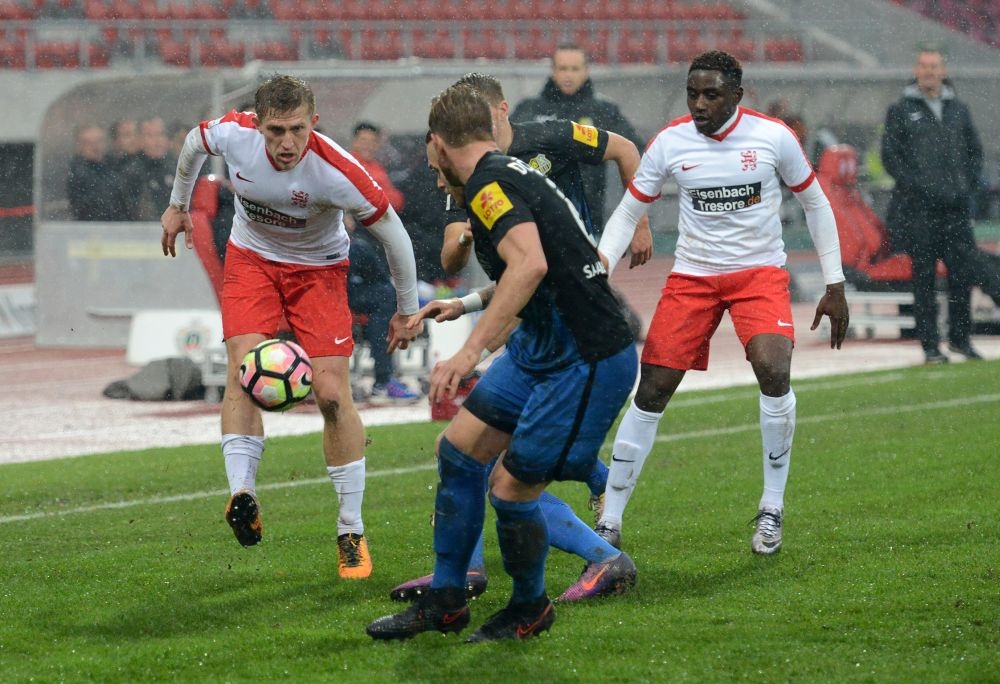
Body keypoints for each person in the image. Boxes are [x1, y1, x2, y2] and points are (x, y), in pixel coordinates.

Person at [366, 84, 638, 642]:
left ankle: (530, 606)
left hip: (583, 356)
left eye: (429, 149)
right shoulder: (496, 177)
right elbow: (543, 266)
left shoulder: (490, 185)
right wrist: (463, 304)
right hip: (542, 345)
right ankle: (446, 600)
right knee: (458, 450)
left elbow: (531, 265)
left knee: (511, 490)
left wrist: (470, 351)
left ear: (439, 143)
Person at [160, 74, 423, 580]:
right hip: (251, 261)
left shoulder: (338, 171)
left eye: (297, 130)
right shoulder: (233, 135)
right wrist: (177, 204)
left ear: (313, 124)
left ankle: (351, 529)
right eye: (276, 130)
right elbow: (194, 143)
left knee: (330, 394)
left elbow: (396, 236)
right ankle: (243, 495)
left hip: (320, 273)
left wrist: (406, 308)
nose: (286, 143)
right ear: (256, 124)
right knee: (244, 372)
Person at [594, 50, 850, 557]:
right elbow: (628, 212)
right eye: (693, 93)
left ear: (737, 93)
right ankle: (610, 520)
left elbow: (815, 202)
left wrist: (834, 283)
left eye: (711, 94)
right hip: (693, 276)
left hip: (759, 274)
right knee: (653, 390)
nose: (699, 104)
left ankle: (771, 508)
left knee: (773, 369)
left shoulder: (773, 136)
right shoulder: (670, 141)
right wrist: (598, 268)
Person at [881, 46, 984, 364]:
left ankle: (960, 340)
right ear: (916, 70)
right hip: (921, 210)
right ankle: (929, 346)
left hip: (955, 209)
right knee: (923, 278)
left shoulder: (959, 110)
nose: (928, 71)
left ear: (943, 70)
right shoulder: (900, 110)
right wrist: (918, 187)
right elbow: (891, 157)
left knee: (962, 275)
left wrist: (964, 185)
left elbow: (974, 153)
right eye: (923, 66)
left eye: (934, 66)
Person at [510, 43, 646, 231]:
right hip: (536, 217)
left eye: (574, 69)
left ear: (586, 71)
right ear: (553, 70)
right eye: (563, 68)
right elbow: (505, 150)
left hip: (588, 218)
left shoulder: (603, 111)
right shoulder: (529, 109)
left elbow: (634, 149)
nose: (568, 75)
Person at [345, 221, 421, 403]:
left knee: (386, 296)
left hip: (347, 288)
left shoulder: (357, 244)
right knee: (386, 297)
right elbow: (380, 276)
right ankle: (383, 379)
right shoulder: (356, 246)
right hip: (334, 291)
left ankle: (384, 378)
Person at [348, 121, 406, 212]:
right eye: (364, 141)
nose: (368, 146)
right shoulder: (349, 165)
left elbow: (396, 199)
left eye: (373, 142)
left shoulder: (377, 166)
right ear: (354, 142)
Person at [66, 124, 118, 221]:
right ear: (79, 146)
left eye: (99, 141)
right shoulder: (76, 173)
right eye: (88, 143)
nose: (95, 147)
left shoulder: (117, 167)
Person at [136, 116, 177, 221]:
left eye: (161, 135)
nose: (157, 141)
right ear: (140, 140)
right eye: (150, 136)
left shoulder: (175, 169)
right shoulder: (132, 173)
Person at [107, 118, 144, 221]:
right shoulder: (108, 168)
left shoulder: (148, 164)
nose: (133, 139)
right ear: (115, 141)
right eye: (127, 135)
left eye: (135, 134)